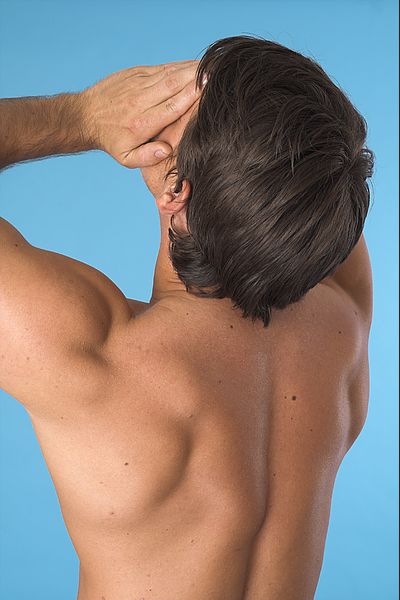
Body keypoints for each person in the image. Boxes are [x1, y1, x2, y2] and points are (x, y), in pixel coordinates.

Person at [0, 36, 373, 600]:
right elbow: (312, 188)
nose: (157, 104)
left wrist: (82, 115)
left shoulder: (94, 354)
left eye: (176, 110)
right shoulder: (343, 321)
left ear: (177, 191)